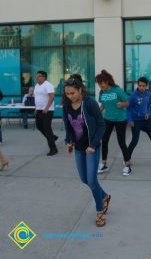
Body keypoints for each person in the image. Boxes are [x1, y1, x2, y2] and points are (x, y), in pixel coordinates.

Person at [62, 75, 111, 227]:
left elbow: (101, 125)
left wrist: (94, 144)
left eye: (73, 93)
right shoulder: (66, 105)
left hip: (92, 148)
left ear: (80, 90)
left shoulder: (90, 103)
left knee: (91, 180)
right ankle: (104, 196)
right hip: (78, 147)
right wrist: (68, 141)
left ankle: (100, 211)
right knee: (84, 179)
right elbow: (68, 126)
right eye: (67, 94)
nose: (70, 96)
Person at [95, 70, 131, 176]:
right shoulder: (102, 92)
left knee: (121, 142)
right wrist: (95, 114)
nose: (100, 85)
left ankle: (127, 165)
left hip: (120, 119)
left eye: (102, 83)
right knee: (104, 140)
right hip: (108, 119)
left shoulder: (117, 90)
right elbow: (103, 105)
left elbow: (128, 102)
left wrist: (123, 104)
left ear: (107, 82)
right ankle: (104, 163)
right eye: (98, 83)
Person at [127, 77, 151, 166]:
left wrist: (148, 113)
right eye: (140, 85)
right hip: (136, 121)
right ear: (138, 85)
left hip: (146, 121)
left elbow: (149, 105)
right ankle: (127, 158)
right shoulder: (133, 95)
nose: (141, 87)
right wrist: (130, 120)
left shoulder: (148, 93)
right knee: (134, 140)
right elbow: (128, 108)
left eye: (143, 86)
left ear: (147, 86)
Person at [34, 71, 58, 156]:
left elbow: (52, 97)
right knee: (39, 126)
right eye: (36, 76)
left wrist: (47, 108)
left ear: (44, 77)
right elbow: (37, 98)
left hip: (47, 111)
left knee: (47, 129)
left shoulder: (48, 85)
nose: (37, 78)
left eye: (39, 76)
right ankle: (53, 137)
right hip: (39, 110)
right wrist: (36, 108)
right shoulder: (36, 86)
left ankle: (53, 149)